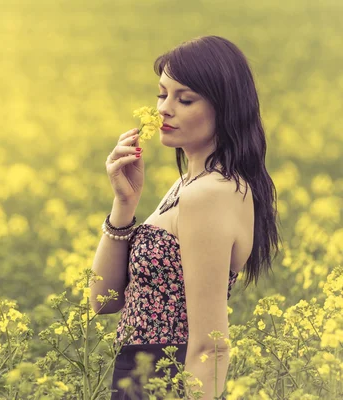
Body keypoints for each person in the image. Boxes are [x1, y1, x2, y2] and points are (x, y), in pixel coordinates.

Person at [89, 36, 283, 400]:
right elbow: (104, 300)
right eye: (162, 94)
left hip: (169, 380)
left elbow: (212, 346)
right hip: (139, 375)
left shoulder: (209, 195)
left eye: (185, 99)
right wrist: (124, 205)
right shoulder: (187, 185)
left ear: (224, 108)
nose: (164, 109)